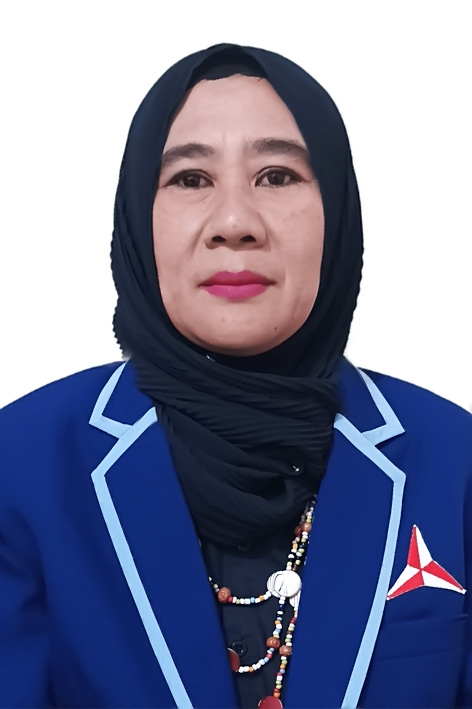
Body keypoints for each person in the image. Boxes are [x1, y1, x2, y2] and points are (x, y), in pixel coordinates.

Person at [0, 42, 471, 709]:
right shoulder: (21, 466)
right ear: (138, 217)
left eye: (276, 176)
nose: (233, 224)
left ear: (337, 213)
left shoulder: (454, 462)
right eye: (191, 179)